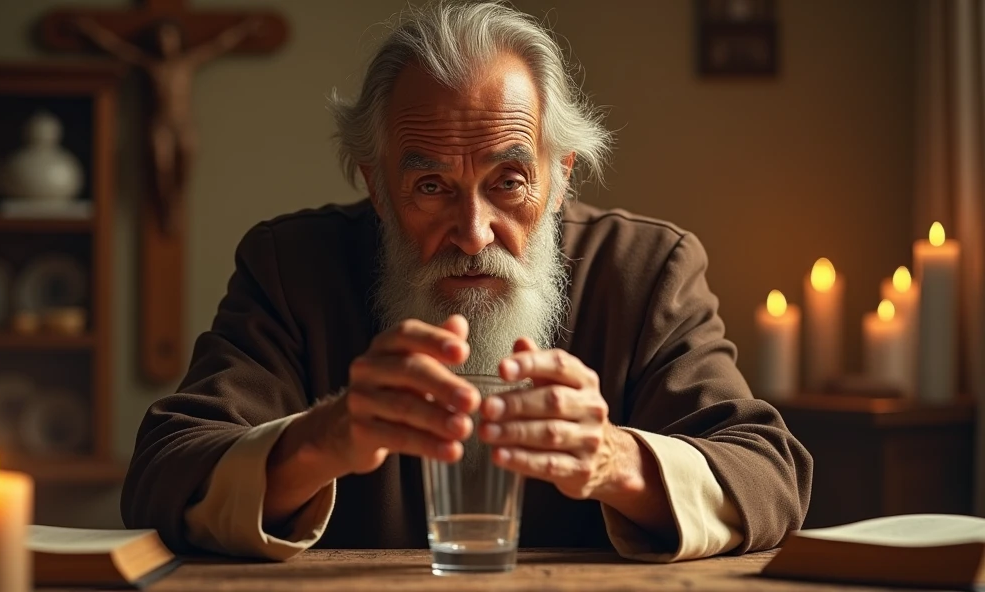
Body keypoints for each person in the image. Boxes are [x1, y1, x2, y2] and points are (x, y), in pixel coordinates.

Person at [122, 0, 811, 562]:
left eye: (508, 181)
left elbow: (769, 478)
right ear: (378, 186)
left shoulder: (646, 271)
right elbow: (161, 476)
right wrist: (321, 440)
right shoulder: (291, 266)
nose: (473, 232)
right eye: (430, 185)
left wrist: (613, 460)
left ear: (560, 175)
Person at [72, 16, 262, 232]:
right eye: (161, 38)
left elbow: (219, 44)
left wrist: (245, 29)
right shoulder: (151, 65)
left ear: (178, 40)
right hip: (160, 123)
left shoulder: (188, 62)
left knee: (186, 160)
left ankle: (177, 201)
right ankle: (164, 205)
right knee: (160, 165)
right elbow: (117, 47)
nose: (165, 43)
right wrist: (89, 30)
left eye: (170, 38)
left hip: (184, 123)